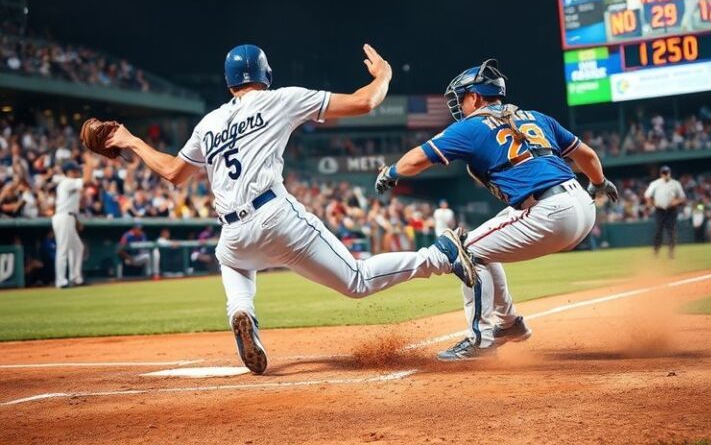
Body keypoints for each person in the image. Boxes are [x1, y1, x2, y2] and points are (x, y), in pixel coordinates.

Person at [101, 43, 474, 375]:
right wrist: (385, 75)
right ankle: (438, 256)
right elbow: (365, 102)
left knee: (231, 261)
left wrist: (131, 140)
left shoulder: (209, 123)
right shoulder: (280, 98)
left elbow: (171, 172)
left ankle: (240, 312)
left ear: (229, 82)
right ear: (266, 75)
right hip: (276, 215)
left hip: (233, 230)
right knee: (357, 280)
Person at [375, 59, 618, 360]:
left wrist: (391, 173)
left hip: (549, 211)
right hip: (581, 203)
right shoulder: (537, 117)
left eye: (461, 98)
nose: (459, 105)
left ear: (475, 97)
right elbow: (587, 155)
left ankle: (481, 339)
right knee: (480, 246)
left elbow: (416, 160)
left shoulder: (471, 126)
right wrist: (599, 183)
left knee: (463, 250)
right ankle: (509, 324)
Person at [52, 157, 93, 288]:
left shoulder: (69, 182)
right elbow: (86, 181)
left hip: (69, 217)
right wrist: (89, 165)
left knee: (77, 247)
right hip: (63, 217)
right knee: (63, 249)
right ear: (68, 171)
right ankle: (61, 281)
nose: (76, 172)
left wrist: (76, 220)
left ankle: (75, 278)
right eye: (74, 170)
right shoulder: (67, 182)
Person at [644, 165, 686, 259]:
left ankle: (671, 252)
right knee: (659, 230)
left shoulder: (675, 184)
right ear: (661, 174)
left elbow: (682, 197)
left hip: (671, 210)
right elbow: (647, 195)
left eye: (667, 173)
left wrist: (677, 201)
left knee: (671, 231)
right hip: (660, 209)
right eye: (664, 173)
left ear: (669, 173)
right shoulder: (655, 183)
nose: (665, 175)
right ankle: (656, 251)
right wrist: (652, 203)